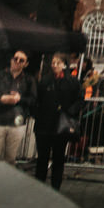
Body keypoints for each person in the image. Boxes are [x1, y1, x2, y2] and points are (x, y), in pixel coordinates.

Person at [33, 52, 84, 189]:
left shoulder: (72, 82)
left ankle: (56, 186)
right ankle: (39, 185)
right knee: (42, 158)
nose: (54, 65)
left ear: (64, 65)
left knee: (58, 158)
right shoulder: (45, 81)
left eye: (58, 63)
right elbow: (37, 100)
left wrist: (69, 112)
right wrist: (37, 115)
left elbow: (80, 100)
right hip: (44, 125)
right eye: (53, 62)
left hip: (61, 127)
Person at [0, 49, 36, 164]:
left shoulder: (29, 80)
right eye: (15, 59)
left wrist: (20, 99)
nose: (17, 62)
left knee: (10, 159)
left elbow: (33, 100)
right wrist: (1, 99)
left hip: (16, 125)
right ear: (11, 60)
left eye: (21, 60)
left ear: (26, 64)